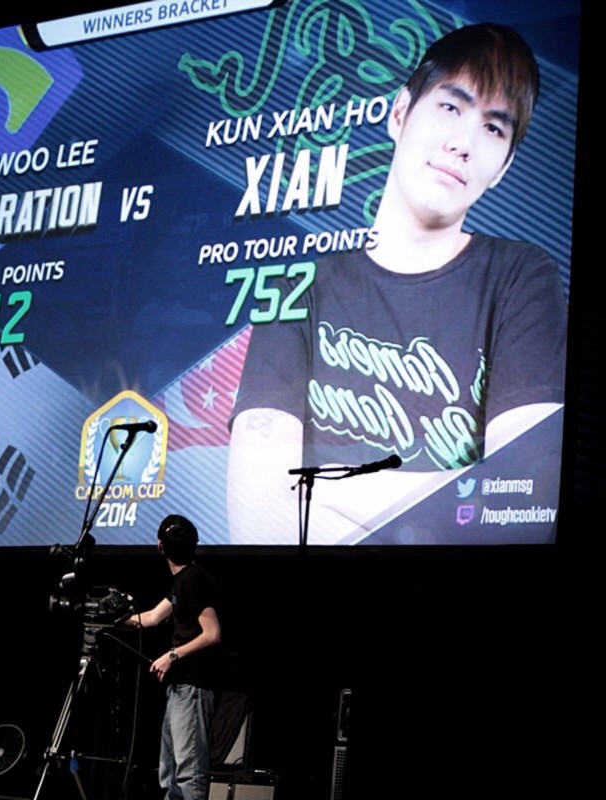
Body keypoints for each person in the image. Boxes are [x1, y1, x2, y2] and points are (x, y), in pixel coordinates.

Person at [227, 23, 567, 544]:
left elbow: (520, 506)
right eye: (450, 107)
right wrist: (457, 501)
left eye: (494, 129)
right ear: (400, 112)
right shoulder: (299, 284)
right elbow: (255, 525)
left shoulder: (522, 278)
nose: (463, 143)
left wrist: (324, 487)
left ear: (504, 167)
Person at [120, 515, 221, 800]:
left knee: (189, 775)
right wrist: (111, 622)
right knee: (171, 774)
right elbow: (153, 617)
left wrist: (172, 655)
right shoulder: (182, 581)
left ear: (160, 546)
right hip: (180, 688)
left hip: (193, 686)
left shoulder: (194, 580)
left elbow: (212, 634)